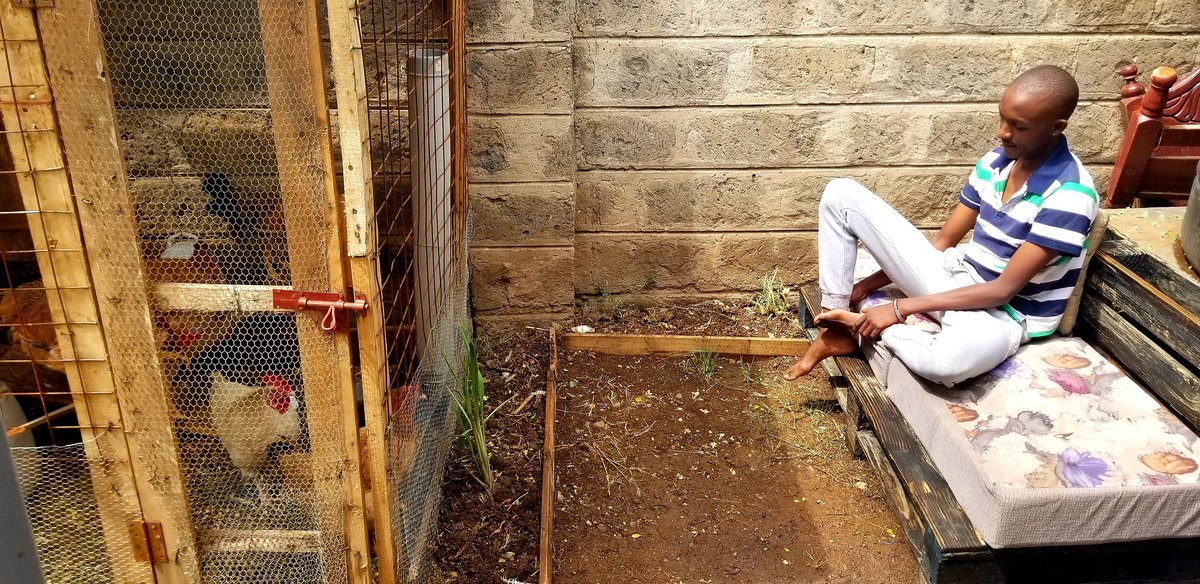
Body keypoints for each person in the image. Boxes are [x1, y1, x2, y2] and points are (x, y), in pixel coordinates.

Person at [784, 65, 1098, 386]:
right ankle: (834, 330)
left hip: (1004, 315)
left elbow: (1003, 291)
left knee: (948, 363)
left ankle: (860, 326)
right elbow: (943, 243)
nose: (1003, 132)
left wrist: (898, 309)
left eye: (1018, 126)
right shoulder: (996, 162)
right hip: (956, 280)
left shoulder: (1069, 196)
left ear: (1056, 127)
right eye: (1002, 118)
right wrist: (865, 287)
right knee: (841, 193)